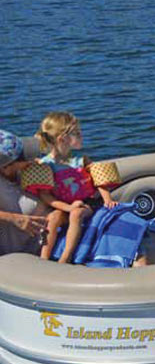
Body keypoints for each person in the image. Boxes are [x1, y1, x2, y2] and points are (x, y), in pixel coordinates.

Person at [27, 112, 117, 263]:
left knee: (76, 214)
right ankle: (43, 258)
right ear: (63, 139)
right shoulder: (45, 165)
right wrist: (68, 207)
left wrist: (107, 199)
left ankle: (65, 258)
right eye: (77, 133)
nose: (81, 135)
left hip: (86, 203)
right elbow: (46, 196)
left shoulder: (81, 160)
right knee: (52, 218)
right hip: (64, 207)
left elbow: (99, 179)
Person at [0, 129, 46, 256]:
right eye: (24, 158)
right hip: (21, 252)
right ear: (6, 167)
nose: (32, 160)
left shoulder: (25, 171)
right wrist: (14, 218)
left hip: (50, 236)